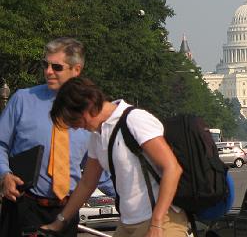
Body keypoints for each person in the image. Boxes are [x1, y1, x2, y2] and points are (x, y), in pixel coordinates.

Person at [40, 77, 188, 237]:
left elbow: (172, 168)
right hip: (128, 223)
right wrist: (59, 222)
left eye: (74, 120)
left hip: (162, 219)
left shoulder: (134, 120)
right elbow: (87, 183)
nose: (75, 127)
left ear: (89, 104)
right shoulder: (97, 135)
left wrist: (157, 222)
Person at [0, 38, 97, 237]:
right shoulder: (22, 99)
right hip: (24, 204)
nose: (48, 71)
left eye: (57, 67)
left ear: (76, 70)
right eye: (45, 64)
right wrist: (4, 175)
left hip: (67, 210)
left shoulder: (90, 112)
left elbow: (98, 168)